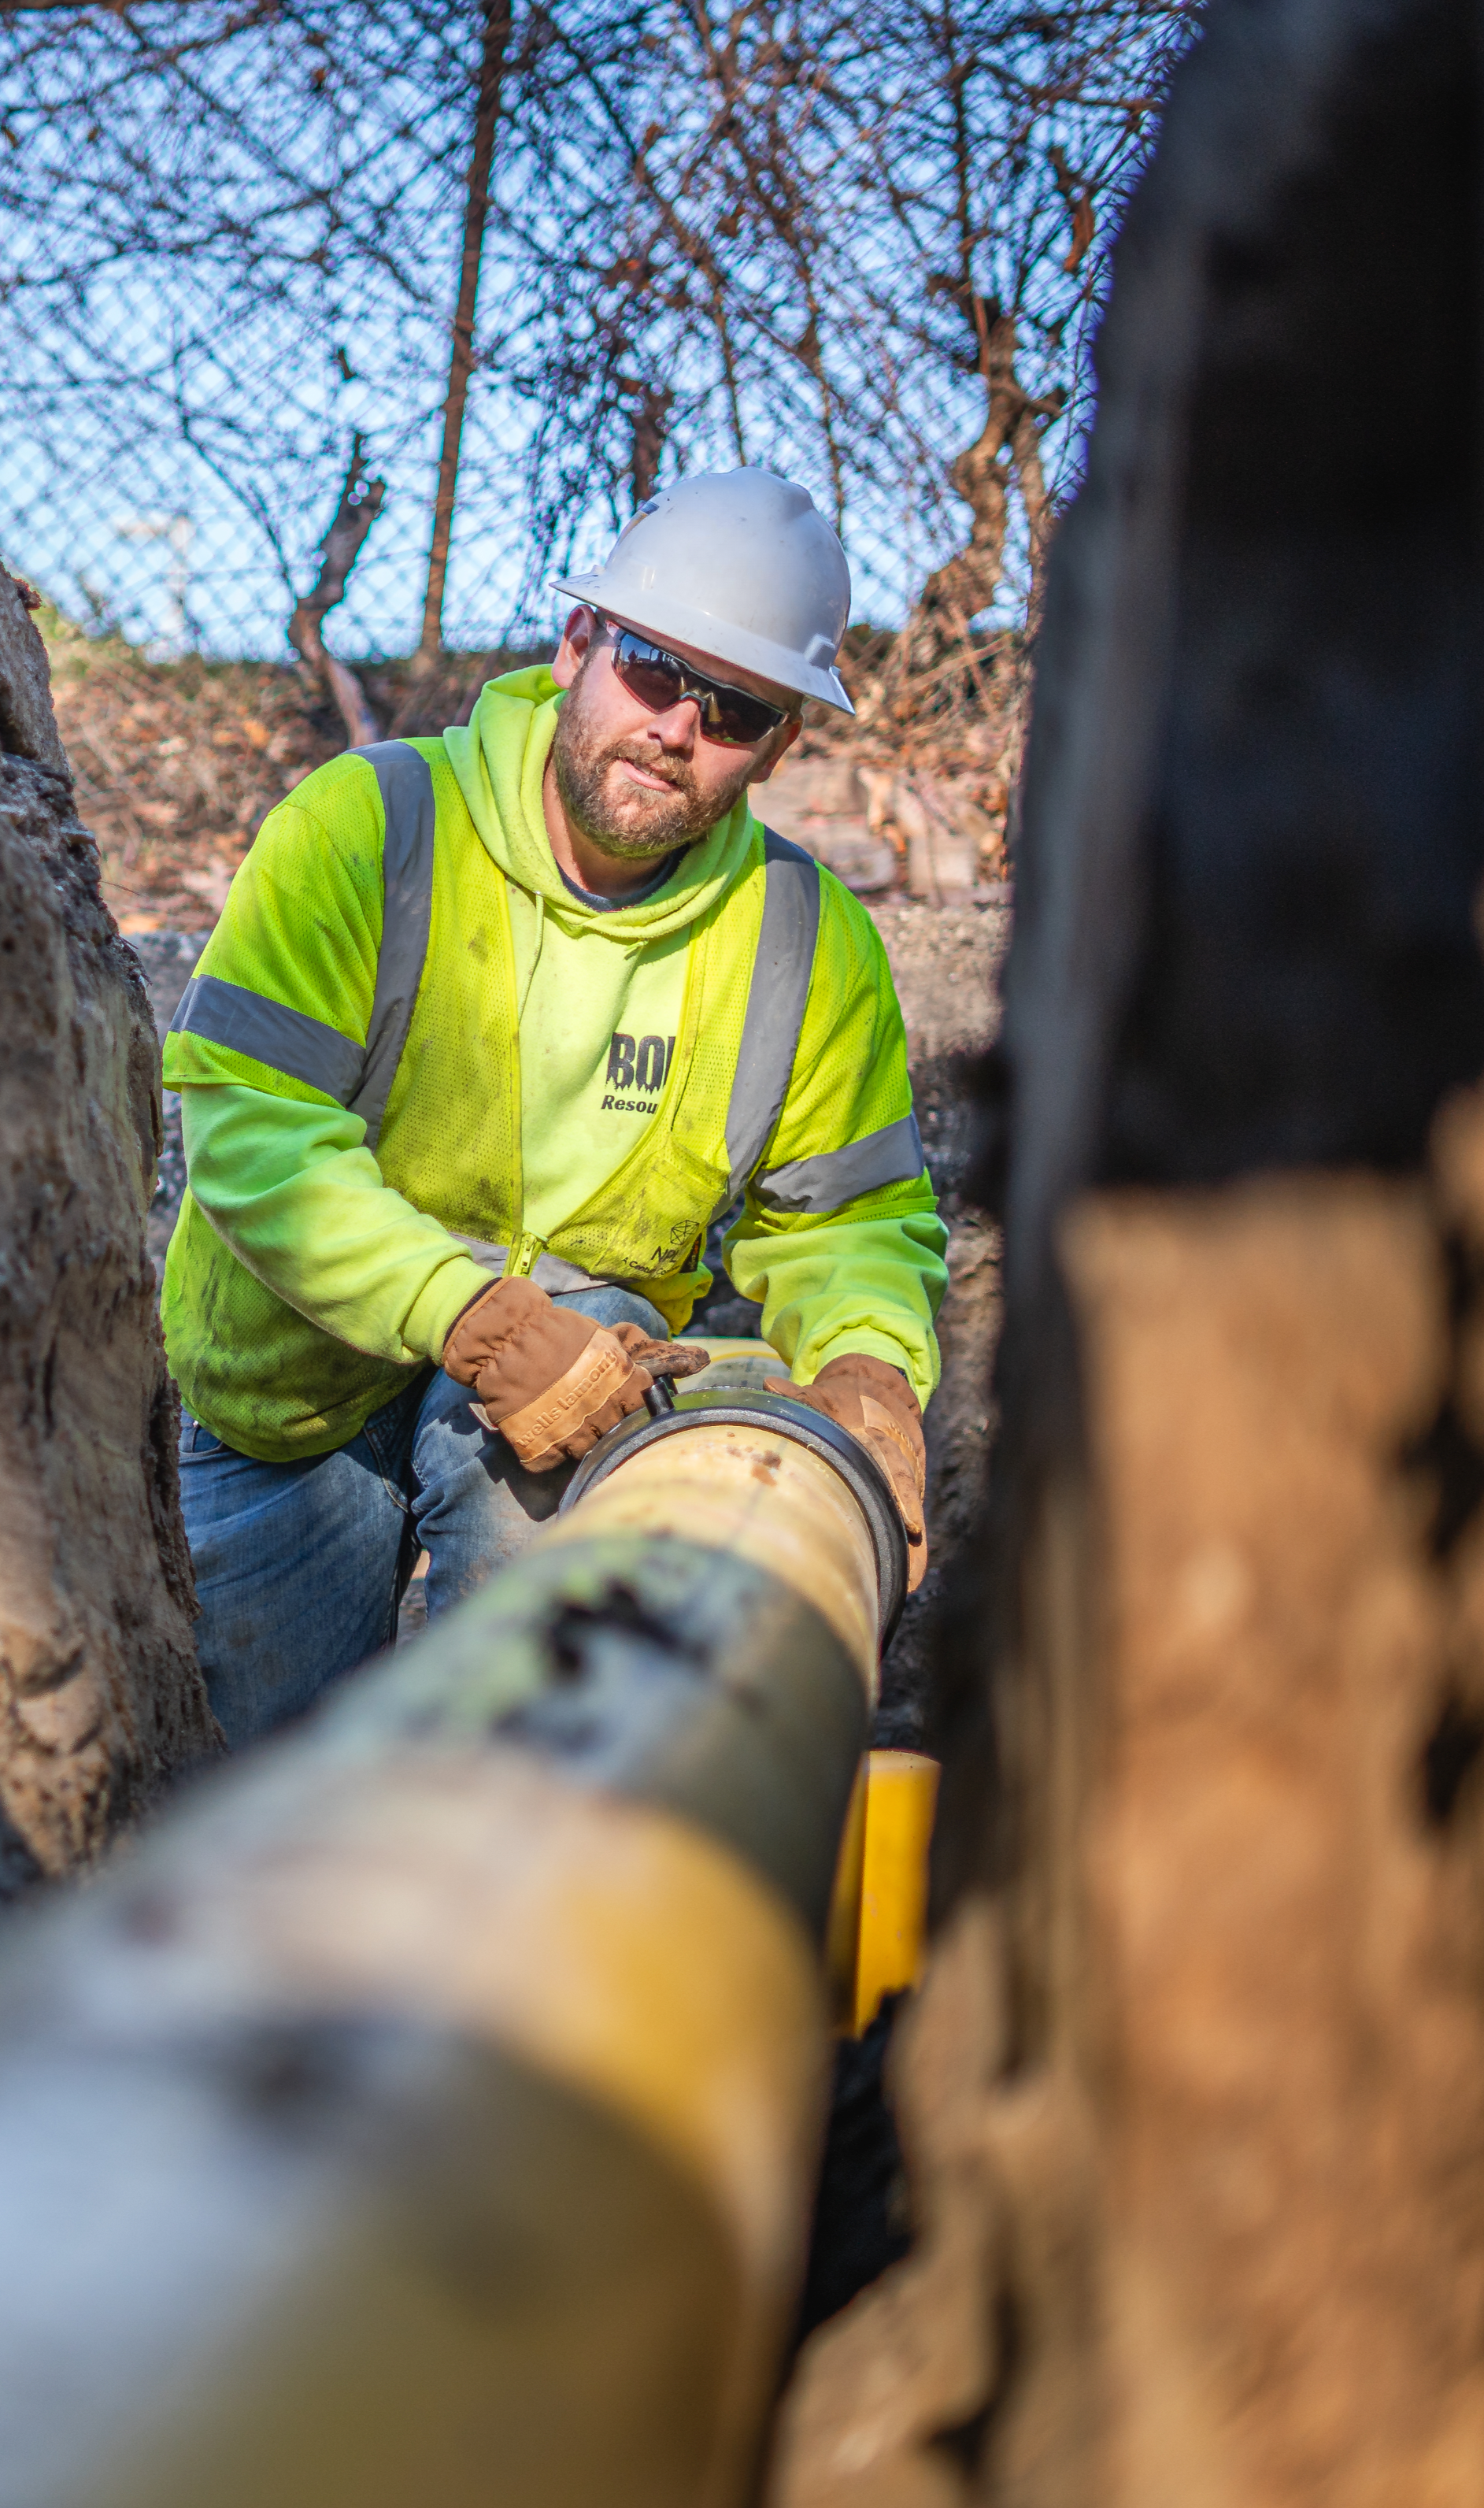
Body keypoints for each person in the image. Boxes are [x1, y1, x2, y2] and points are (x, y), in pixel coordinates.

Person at [161, 469, 945, 1748]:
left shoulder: (805, 940)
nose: (678, 728)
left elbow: (849, 1220)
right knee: (254, 1783)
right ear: (578, 639)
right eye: (651, 667)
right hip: (291, 1381)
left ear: (783, 742)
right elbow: (250, 1124)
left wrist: (867, 1361)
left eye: (736, 705)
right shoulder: (368, 828)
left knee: (531, 1766)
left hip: (574, 1389)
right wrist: (465, 1313)